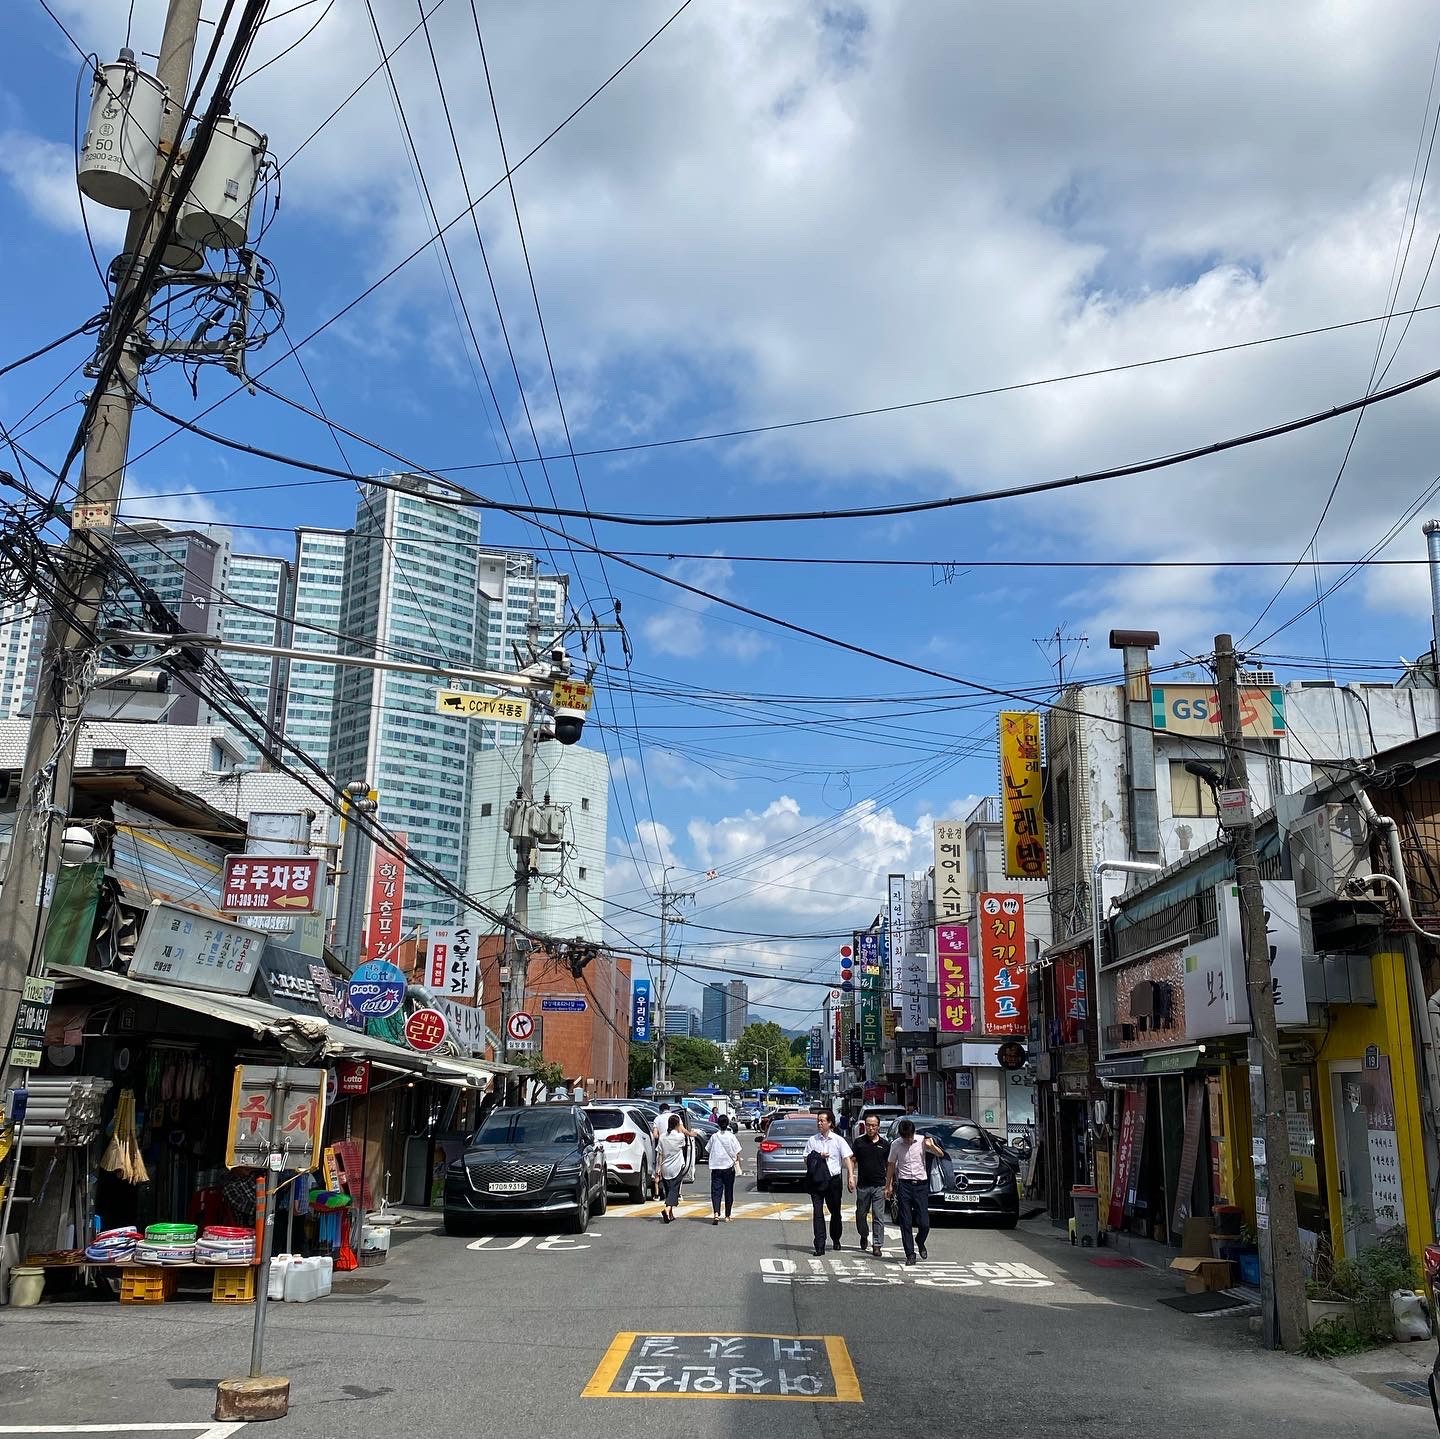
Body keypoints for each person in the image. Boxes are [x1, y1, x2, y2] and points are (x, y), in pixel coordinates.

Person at [886, 1118, 946, 1265]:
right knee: (905, 1221)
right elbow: (891, 1165)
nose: (907, 1140)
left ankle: (920, 1240)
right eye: (905, 1137)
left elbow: (941, 1154)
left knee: (924, 1222)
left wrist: (931, 1146)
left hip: (921, 1185)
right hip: (904, 1185)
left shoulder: (921, 1141)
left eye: (909, 1137)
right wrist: (888, 1185)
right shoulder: (896, 1144)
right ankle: (910, 1254)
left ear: (914, 1133)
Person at [803, 1109, 855, 1257]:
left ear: (830, 1123)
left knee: (835, 1212)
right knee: (817, 1212)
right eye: (818, 1121)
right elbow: (806, 1159)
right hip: (817, 1181)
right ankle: (820, 1245)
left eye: (822, 1121)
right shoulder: (813, 1140)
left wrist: (851, 1176)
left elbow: (847, 1159)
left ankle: (836, 1238)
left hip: (833, 1181)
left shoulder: (838, 1140)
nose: (819, 1123)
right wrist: (818, 1157)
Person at [850, 1111, 890, 1257]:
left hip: (879, 1185)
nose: (871, 1128)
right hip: (863, 1185)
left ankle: (877, 1244)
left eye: (873, 1126)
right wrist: (851, 1176)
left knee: (878, 1216)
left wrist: (889, 1184)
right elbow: (852, 1160)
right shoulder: (859, 1143)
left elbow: (889, 1165)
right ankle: (863, 1234)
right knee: (861, 1214)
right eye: (868, 1125)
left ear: (878, 1127)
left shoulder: (885, 1145)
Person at [706, 1113, 743, 1223]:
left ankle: (716, 1213)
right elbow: (737, 1151)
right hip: (728, 1167)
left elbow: (708, 1149)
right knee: (728, 1191)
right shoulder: (731, 1136)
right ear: (727, 1124)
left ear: (718, 1124)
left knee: (716, 1191)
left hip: (716, 1167)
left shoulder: (714, 1136)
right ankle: (727, 1215)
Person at [657, 1113, 690, 1223]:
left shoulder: (662, 1137)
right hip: (676, 1166)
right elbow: (684, 1144)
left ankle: (670, 1214)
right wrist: (681, 1129)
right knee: (674, 1190)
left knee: (669, 1190)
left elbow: (660, 1154)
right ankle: (667, 1209)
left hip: (665, 1166)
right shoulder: (680, 1137)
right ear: (677, 1124)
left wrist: (658, 1168)